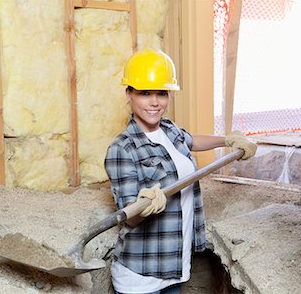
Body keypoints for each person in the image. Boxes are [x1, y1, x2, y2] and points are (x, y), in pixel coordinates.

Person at [104, 48, 257, 294]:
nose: (155, 102)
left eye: (162, 93)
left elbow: (191, 141)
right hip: (142, 275)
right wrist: (145, 205)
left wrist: (228, 140)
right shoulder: (122, 149)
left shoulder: (167, 128)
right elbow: (130, 216)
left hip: (175, 265)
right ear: (129, 94)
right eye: (145, 93)